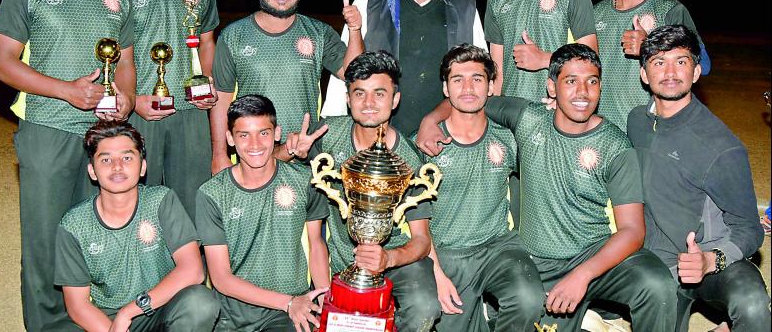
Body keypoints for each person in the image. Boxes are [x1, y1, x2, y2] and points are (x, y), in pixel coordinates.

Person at [419, 44, 677, 331]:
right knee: (528, 309)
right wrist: (430, 120)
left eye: (592, 81)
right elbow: (470, 97)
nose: (582, 92)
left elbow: (633, 231)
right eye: (571, 81)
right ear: (551, 87)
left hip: (591, 256)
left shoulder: (615, 145)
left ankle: (592, 311)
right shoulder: (528, 118)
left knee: (656, 284)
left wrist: (583, 275)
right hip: (537, 266)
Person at [0, 0, 136, 329]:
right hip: (47, 129)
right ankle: (47, 324)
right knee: (45, 239)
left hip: (103, 136)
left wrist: (125, 98)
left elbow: (125, 62)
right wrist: (65, 91)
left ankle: (95, 319)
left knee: (98, 233)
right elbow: (0, 63)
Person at [281, 51, 441, 331]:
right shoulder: (327, 135)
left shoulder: (410, 158)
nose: (368, 103)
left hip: (394, 260)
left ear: (395, 100)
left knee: (425, 305)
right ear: (347, 99)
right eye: (359, 93)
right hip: (338, 260)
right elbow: (267, 160)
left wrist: (388, 258)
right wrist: (289, 149)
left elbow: (421, 240)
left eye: (379, 94)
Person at [628, 25, 770, 332]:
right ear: (643, 74)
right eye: (658, 62)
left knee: (752, 303)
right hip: (655, 268)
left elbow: (749, 229)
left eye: (680, 61)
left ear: (695, 72)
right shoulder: (637, 121)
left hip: (704, 263)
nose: (669, 72)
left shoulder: (721, 147)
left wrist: (710, 260)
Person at [321, 0, 487, 136]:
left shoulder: (464, 8)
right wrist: (333, 125)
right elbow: (346, 72)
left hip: (445, 134)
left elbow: (479, 79)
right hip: (378, 136)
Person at [422, 44, 544, 331]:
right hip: (447, 254)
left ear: (491, 87)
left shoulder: (509, 139)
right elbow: (415, 225)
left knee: (528, 298)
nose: (468, 87)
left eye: (477, 79)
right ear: (445, 88)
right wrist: (435, 272)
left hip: (498, 248)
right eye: (457, 80)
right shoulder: (425, 146)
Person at [54, 120, 219, 332]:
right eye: (105, 159)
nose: (117, 166)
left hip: (161, 307)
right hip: (109, 320)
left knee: (200, 302)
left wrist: (130, 310)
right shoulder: (74, 225)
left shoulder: (161, 200)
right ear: (92, 171)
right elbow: (78, 306)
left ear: (142, 167)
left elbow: (193, 270)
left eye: (127, 157)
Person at [115, 0, 218, 219]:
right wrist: (132, 99)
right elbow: (108, 56)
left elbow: (206, 42)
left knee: (191, 206)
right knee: (136, 204)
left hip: (190, 113)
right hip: (140, 112)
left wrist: (209, 85)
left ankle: (192, 271)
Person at [210, 0, 364, 174]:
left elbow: (357, 75)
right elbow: (221, 99)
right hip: (252, 157)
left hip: (304, 155)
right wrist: (219, 155)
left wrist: (355, 30)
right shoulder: (233, 36)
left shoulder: (318, 33)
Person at [196, 95, 331, 331]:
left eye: (264, 133)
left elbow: (316, 243)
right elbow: (220, 278)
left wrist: (324, 300)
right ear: (230, 138)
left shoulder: (304, 181)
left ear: (277, 133)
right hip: (233, 313)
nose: (255, 144)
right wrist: (287, 303)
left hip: (290, 309)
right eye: (244, 135)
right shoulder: (212, 194)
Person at [594, 0, 711, 132]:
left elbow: (704, 65)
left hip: (652, 132)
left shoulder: (670, 10)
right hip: (602, 133)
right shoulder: (595, 13)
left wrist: (651, 47)